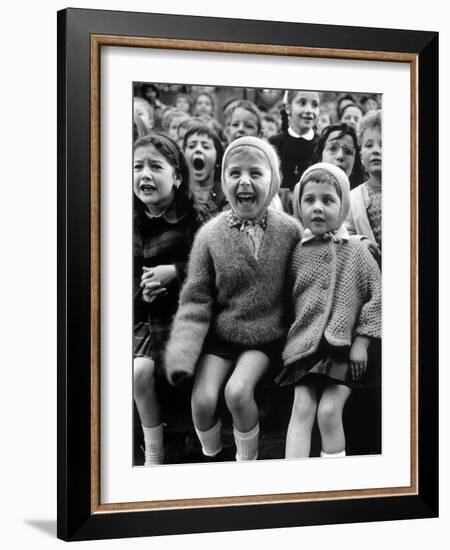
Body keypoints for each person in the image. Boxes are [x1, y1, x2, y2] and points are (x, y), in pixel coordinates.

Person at [164, 136, 301, 461]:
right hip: (222, 337)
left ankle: (245, 463)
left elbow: (310, 271)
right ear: (223, 180)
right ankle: (213, 455)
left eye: (256, 173)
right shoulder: (210, 235)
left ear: (273, 181)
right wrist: (182, 354)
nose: (245, 181)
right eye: (235, 173)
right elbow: (195, 299)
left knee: (237, 392)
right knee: (203, 401)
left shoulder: (290, 231)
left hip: (265, 338)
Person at [277, 162, 381, 459]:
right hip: (306, 348)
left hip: (346, 349)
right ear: (299, 205)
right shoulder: (297, 251)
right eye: (309, 200)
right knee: (302, 406)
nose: (318, 208)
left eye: (327, 200)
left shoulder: (358, 250)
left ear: (343, 204)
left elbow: (378, 298)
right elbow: (287, 300)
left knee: (329, 411)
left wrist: (362, 342)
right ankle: (293, 485)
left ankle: (335, 481)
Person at [133, 133, 204, 466]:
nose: (144, 174)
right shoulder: (125, 222)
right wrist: (141, 292)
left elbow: (213, 265)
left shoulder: (195, 215)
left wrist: (174, 272)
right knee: (138, 373)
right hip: (145, 319)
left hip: (188, 315)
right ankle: (154, 453)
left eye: (155, 166)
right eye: (137, 167)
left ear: (176, 176)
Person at [345, 110, 382, 254]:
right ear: (361, 157)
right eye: (369, 145)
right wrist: (360, 241)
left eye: (383, 144)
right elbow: (346, 234)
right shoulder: (353, 198)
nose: (376, 151)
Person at [269, 90, 320, 191]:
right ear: (288, 108)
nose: (309, 110)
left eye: (314, 105)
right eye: (302, 103)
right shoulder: (273, 144)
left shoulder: (322, 145)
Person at [182, 122, 227, 213]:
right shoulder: (175, 195)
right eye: (191, 146)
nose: (198, 149)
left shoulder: (227, 196)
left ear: (217, 158)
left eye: (206, 147)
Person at [310, 123, 365, 190]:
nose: (340, 156)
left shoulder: (362, 197)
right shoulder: (303, 190)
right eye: (332, 148)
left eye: (348, 152)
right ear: (320, 157)